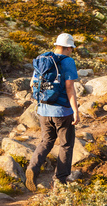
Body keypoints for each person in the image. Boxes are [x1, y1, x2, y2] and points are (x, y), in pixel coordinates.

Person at [26, 33, 81, 191]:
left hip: (43, 110)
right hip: (62, 112)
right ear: (68, 47)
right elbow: (70, 88)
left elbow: (32, 84)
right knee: (66, 145)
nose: (71, 51)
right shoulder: (68, 61)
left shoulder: (43, 59)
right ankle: (60, 180)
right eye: (71, 49)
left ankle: (33, 168)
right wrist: (75, 111)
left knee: (46, 141)